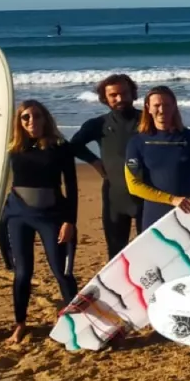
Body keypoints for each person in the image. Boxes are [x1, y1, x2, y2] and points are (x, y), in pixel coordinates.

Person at [0, 101, 79, 344]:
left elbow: (72, 187)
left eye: (36, 116)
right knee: (22, 273)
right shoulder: (13, 148)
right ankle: (20, 323)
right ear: (19, 122)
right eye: (25, 118)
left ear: (45, 118)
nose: (31, 122)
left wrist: (69, 221)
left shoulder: (60, 147)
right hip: (17, 215)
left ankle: (75, 320)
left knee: (61, 271)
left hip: (51, 215)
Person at [69, 73, 142, 256]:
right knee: (116, 253)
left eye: (124, 93)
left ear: (133, 93)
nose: (120, 99)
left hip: (147, 197)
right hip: (114, 197)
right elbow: (74, 146)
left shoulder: (148, 121)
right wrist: (94, 161)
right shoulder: (98, 124)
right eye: (113, 95)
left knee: (150, 250)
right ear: (104, 99)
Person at [123, 87, 190, 228]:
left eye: (166, 105)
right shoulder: (137, 142)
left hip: (189, 211)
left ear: (174, 106)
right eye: (157, 105)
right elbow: (134, 185)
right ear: (148, 108)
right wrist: (172, 199)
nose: (162, 110)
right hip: (154, 216)